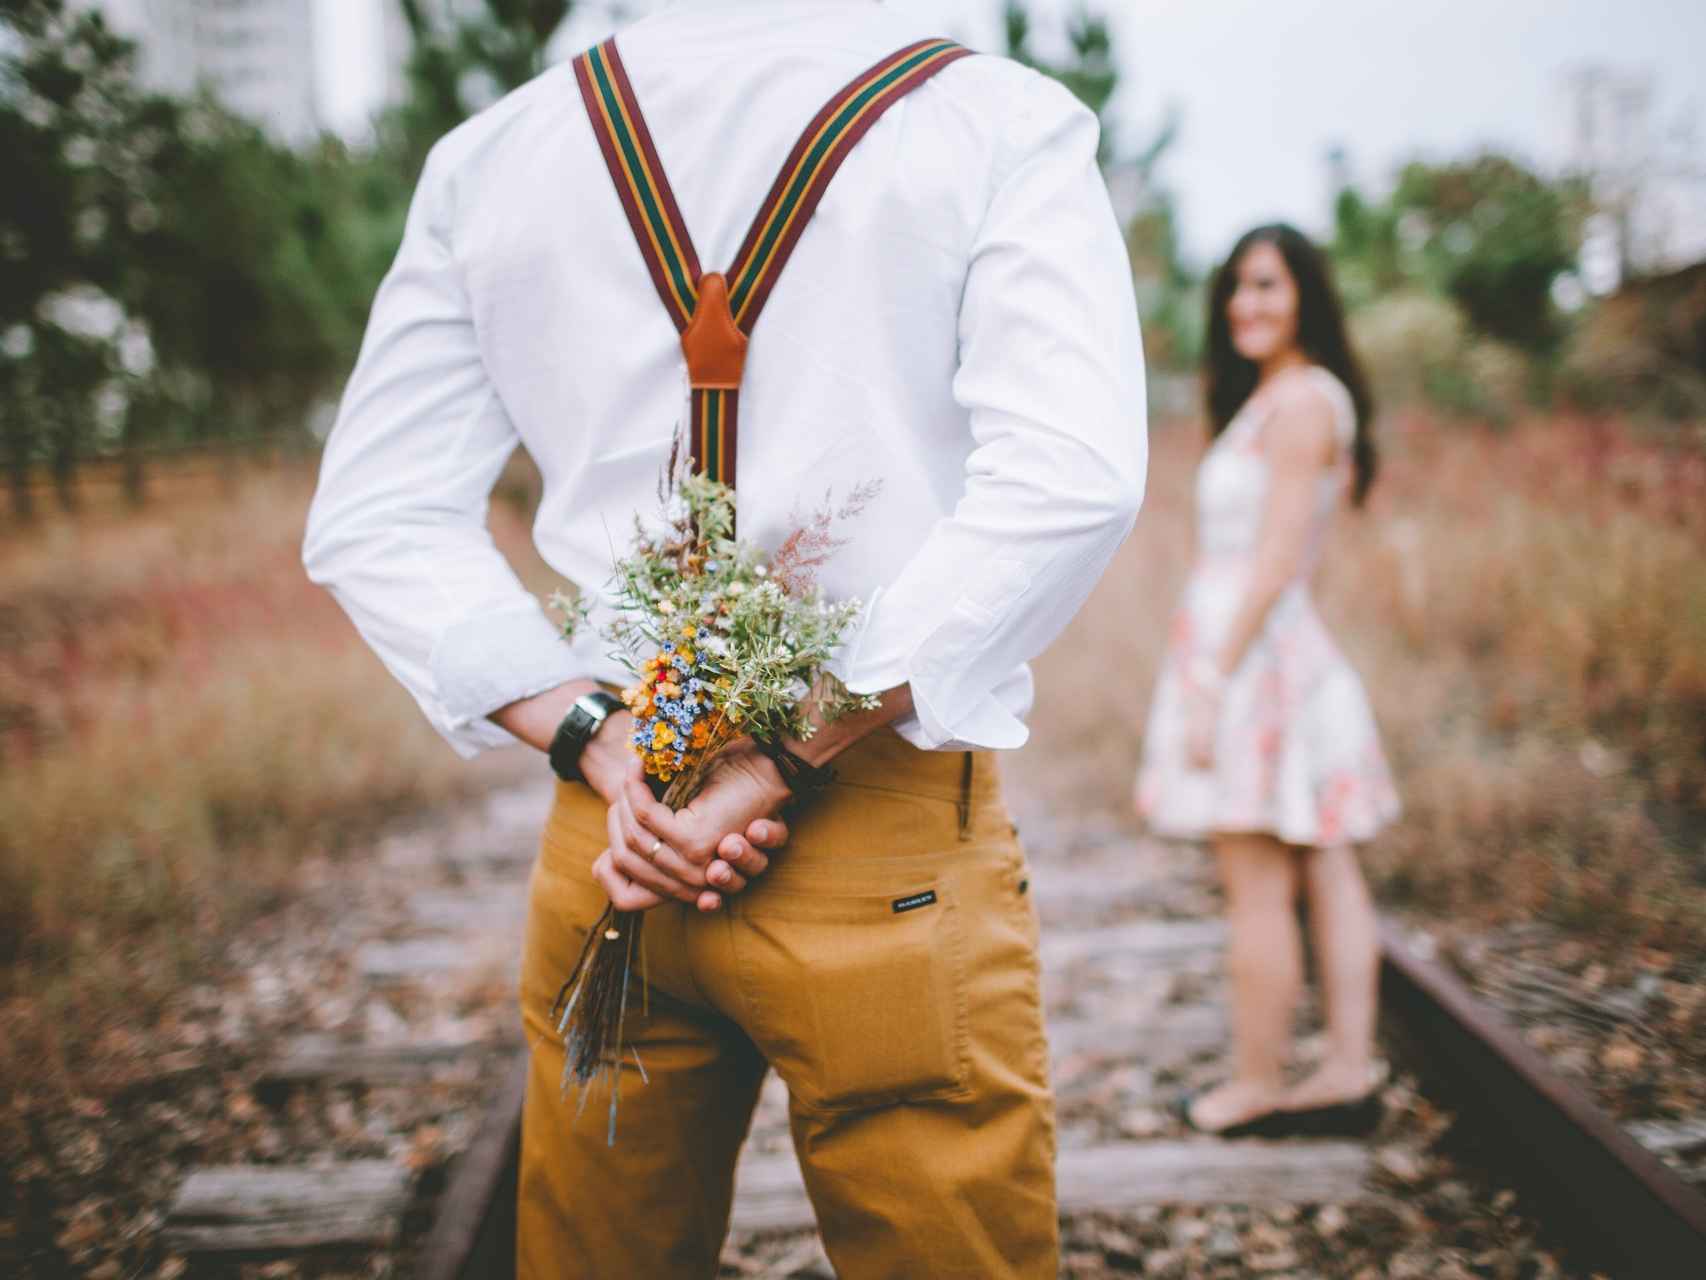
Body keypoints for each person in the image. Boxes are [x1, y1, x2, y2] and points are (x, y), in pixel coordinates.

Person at [301, 1, 1146, 1274]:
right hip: (876, 827)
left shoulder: (494, 156)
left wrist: (601, 736)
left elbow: (374, 513)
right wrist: (775, 756)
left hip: (617, 838)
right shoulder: (991, 119)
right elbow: (1068, 478)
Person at [1134, 223, 1399, 1138]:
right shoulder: (1283, 398)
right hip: (1267, 651)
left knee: (1257, 881)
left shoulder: (1300, 405)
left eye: (1266, 286)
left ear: (1305, 298)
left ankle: (1257, 1083)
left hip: (1253, 661)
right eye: (1236, 289)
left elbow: (1279, 558)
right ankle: (1344, 1069)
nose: (1245, 305)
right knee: (1325, 864)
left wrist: (1212, 676)